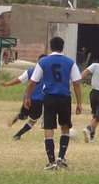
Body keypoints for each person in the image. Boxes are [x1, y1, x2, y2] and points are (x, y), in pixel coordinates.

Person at [24, 36, 83, 171]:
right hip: (64, 97)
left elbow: (32, 82)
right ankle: (61, 157)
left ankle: (51, 162)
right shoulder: (70, 62)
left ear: (50, 47)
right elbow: (77, 83)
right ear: (63, 47)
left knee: (49, 128)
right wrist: (79, 102)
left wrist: (28, 97)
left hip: (49, 97)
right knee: (65, 127)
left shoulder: (44, 61)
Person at [0, 64, 43, 140]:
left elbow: (19, 80)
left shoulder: (30, 71)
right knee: (33, 120)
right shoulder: (48, 72)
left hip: (27, 97)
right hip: (39, 99)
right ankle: (18, 135)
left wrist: (6, 84)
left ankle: (19, 116)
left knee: (24, 116)